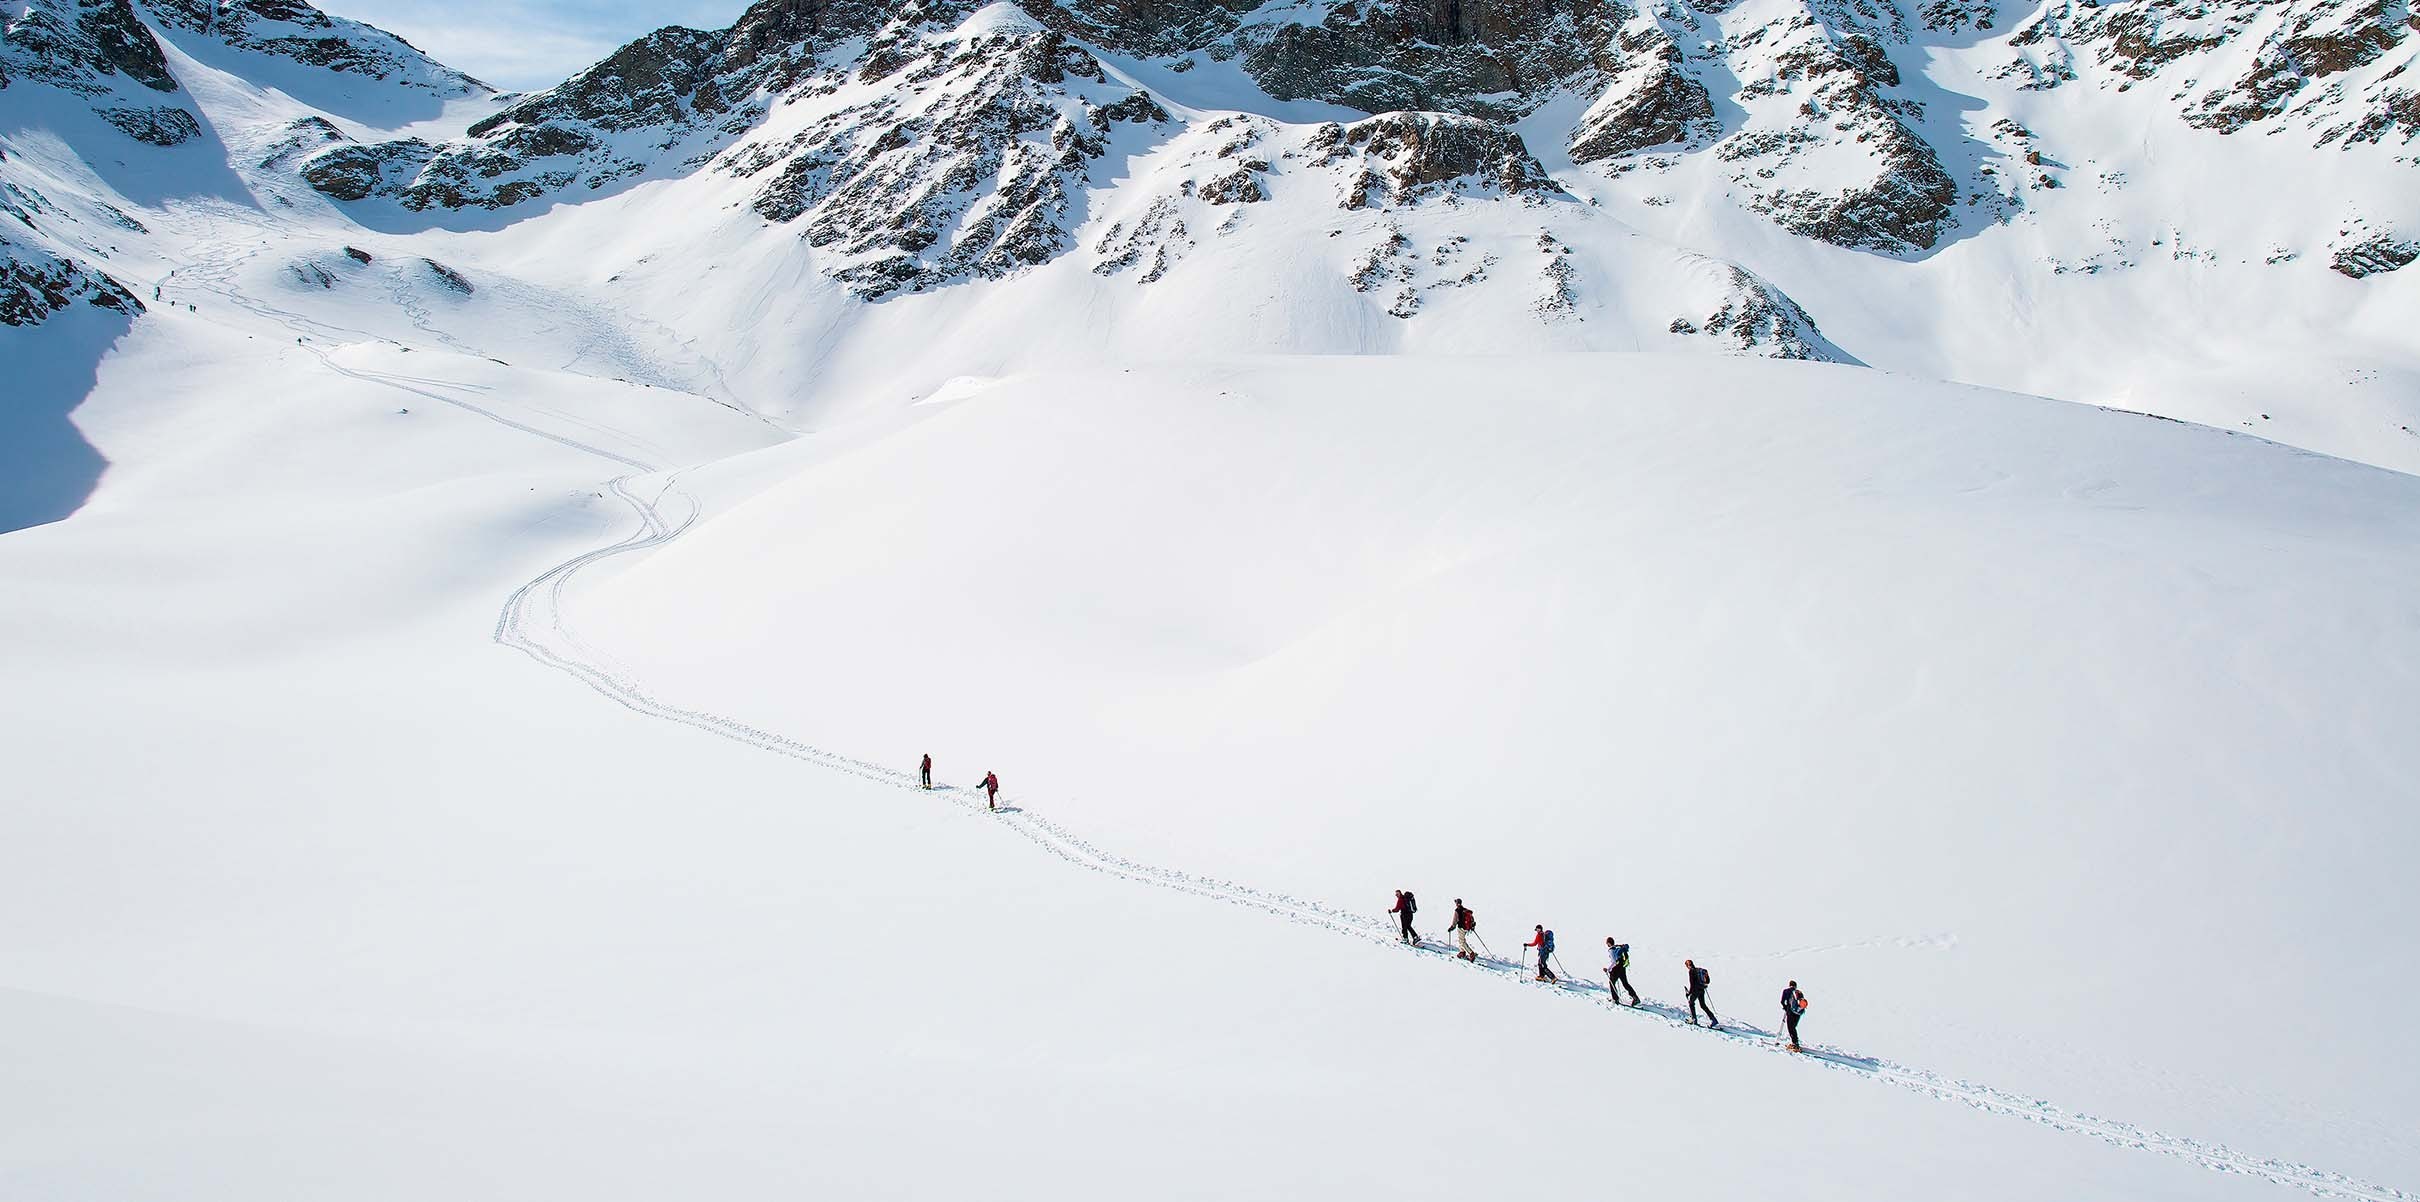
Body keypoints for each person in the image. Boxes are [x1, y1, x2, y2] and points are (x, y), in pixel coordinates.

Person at [1604, 937, 1640, 1005]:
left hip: (1616, 969)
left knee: (1612, 982)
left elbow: (1614, 962)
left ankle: (1615, 999)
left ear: (1608, 943)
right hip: (1622, 967)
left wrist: (1608, 969)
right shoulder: (1617, 948)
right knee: (1625, 983)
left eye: (1607, 943)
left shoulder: (1611, 950)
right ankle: (1635, 998)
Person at [1685, 959, 1718, 1028]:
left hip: (1695, 990)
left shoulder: (1691, 971)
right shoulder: (1698, 970)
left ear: (1688, 966)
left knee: (1691, 1003)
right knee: (1703, 1005)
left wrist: (1689, 993)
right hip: (1702, 989)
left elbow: (1692, 984)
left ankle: (1694, 1019)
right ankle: (1713, 1020)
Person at [1780, 981, 1809, 1052]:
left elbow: (1782, 1001)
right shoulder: (1799, 992)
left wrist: (1785, 1007)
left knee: (1790, 1027)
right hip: (1798, 1013)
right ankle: (1795, 1042)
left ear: (1789, 985)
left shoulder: (1786, 991)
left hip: (1791, 1012)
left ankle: (1795, 1044)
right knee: (1793, 1027)